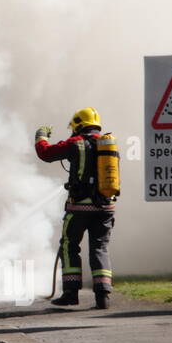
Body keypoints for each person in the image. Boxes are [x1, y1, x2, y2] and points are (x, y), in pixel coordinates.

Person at [34, 107, 118, 310]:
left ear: (78, 125)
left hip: (79, 207)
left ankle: (71, 293)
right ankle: (103, 295)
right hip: (106, 207)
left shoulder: (75, 143)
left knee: (69, 246)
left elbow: (46, 153)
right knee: (100, 248)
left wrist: (41, 136)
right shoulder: (108, 144)